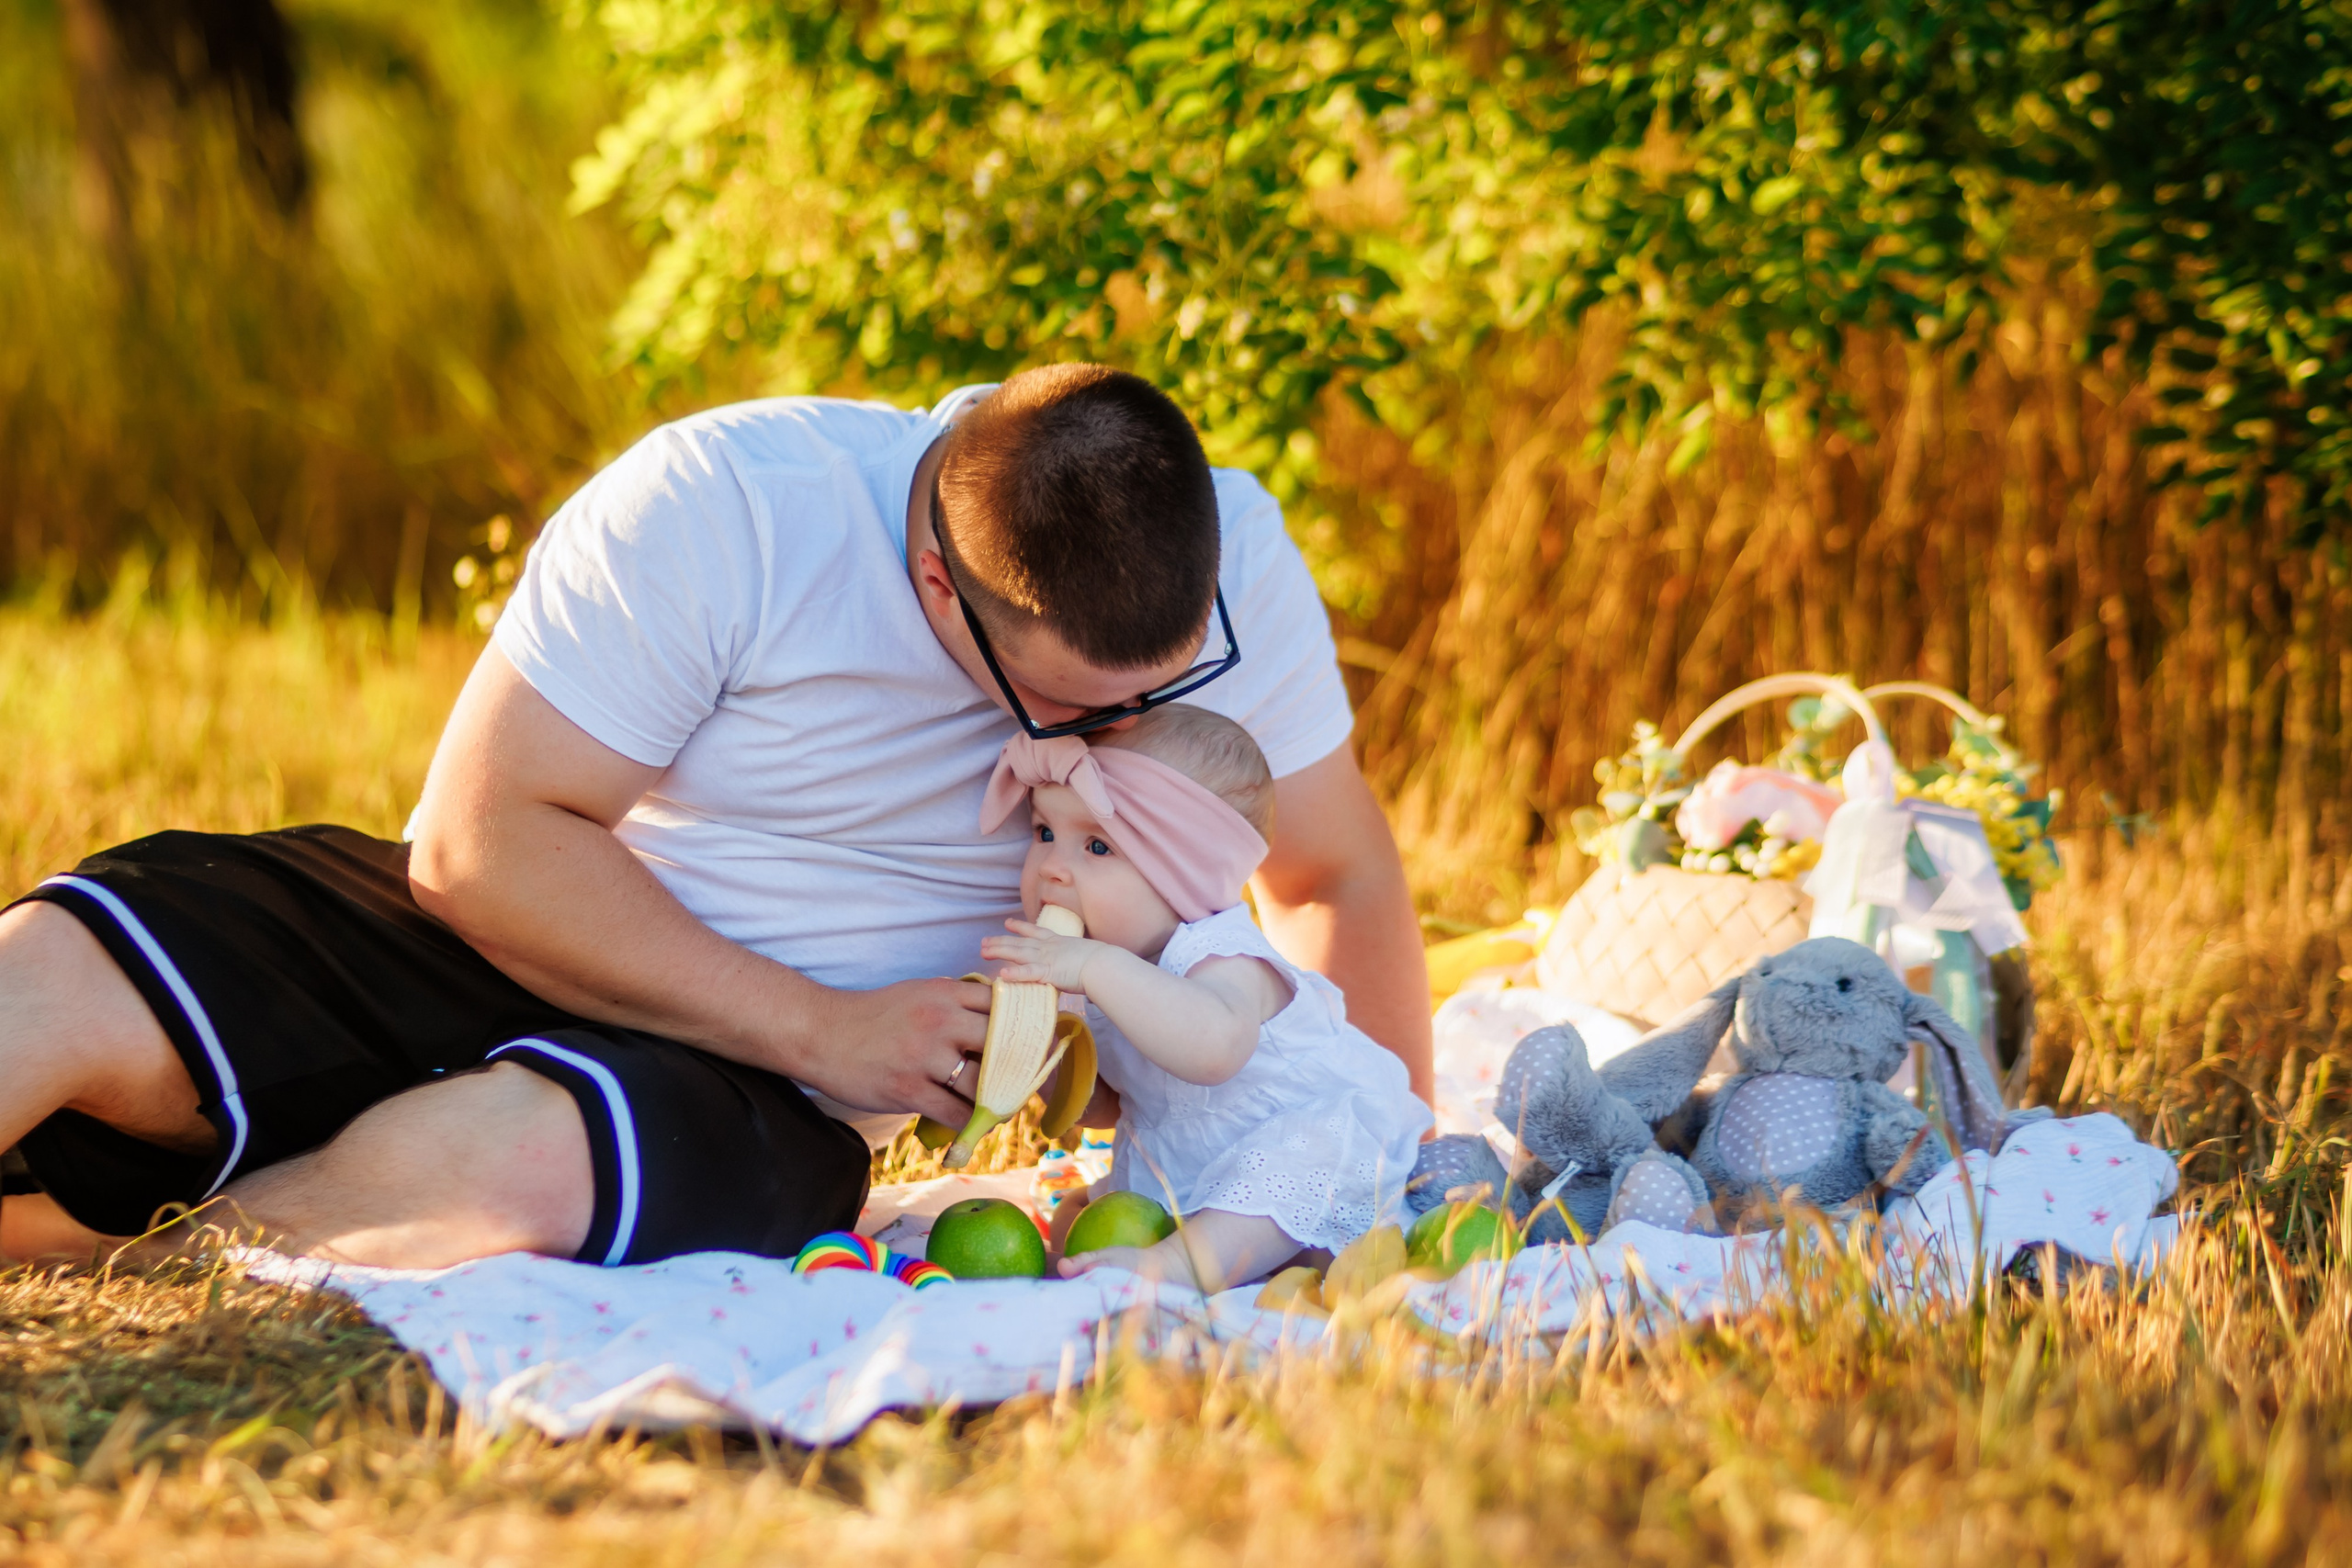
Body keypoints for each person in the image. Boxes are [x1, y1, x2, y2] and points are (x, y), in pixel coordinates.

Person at [0, 364, 1431, 1269]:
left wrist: (1385, 1167)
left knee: (515, 1159)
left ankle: (110, 1273)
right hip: (520, 929)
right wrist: (824, 1018)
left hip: (764, 1106)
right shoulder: (732, 506)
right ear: (944, 590)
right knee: (53, 974)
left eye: (1153, 701)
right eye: (1063, 710)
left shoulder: (1240, 566)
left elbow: (1333, 875)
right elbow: (475, 845)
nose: (1088, 750)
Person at [976, 707, 1431, 1293]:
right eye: (1044, 834)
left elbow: (1214, 1050)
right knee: (1076, 1222)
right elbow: (1098, 1109)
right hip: (1189, 1163)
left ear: (1184, 875)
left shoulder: (1220, 955)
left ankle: (1176, 1269)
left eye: (1095, 847)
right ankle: (1186, 1260)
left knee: (1293, 1166)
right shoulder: (1096, 968)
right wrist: (1037, 1037)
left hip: (1310, 1152)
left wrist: (1093, 968)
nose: (1052, 870)